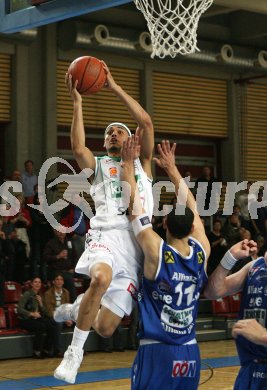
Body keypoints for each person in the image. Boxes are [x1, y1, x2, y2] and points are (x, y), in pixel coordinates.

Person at [53, 61, 154, 383]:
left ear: (130, 140)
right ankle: (74, 354)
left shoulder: (143, 165)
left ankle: (77, 308)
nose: (112, 133)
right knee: (99, 279)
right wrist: (77, 102)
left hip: (137, 246)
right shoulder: (97, 164)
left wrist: (113, 86)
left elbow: (147, 122)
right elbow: (77, 146)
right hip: (105, 236)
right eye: (109, 132)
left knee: (107, 328)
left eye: (119, 130)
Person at [121, 138, 210, 389]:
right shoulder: (202, 250)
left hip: (157, 350)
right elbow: (193, 207)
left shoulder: (156, 251)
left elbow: (134, 207)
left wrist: (128, 165)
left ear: (165, 225)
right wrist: (172, 169)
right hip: (190, 352)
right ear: (193, 227)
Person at [203, 240, 267, 390]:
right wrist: (230, 258)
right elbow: (212, 292)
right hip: (249, 369)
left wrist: (264, 337)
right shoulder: (255, 266)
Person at [17, 277, 57, 358]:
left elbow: (45, 312)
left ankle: (46, 350)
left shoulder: (40, 295)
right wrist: (31, 314)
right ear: (31, 284)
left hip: (36, 319)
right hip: (25, 320)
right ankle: (37, 351)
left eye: (39, 282)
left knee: (52, 325)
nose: (37, 284)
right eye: (35, 282)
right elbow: (19, 309)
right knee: (40, 326)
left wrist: (41, 304)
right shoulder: (27, 294)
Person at [44, 273, 73, 357]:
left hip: (63, 316)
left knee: (78, 322)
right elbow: (49, 311)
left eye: (61, 279)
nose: (59, 281)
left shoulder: (66, 292)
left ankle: (77, 349)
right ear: (53, 282)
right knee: (58, 324)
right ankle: (58, 350)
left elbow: (67, 307)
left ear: (63, 282)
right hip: (52, 317)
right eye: (57, 279)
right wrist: (64, 319)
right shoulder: (48, 293)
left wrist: (68, 318)